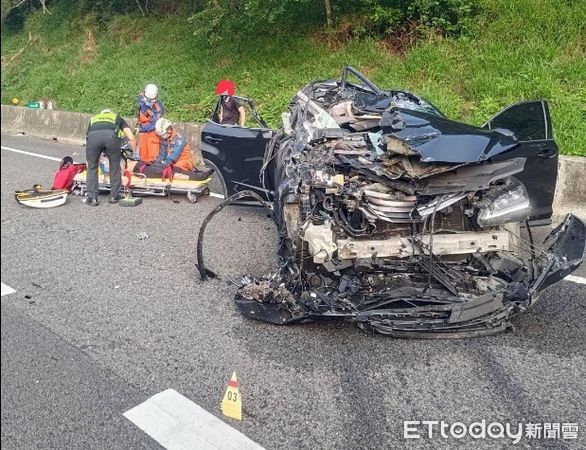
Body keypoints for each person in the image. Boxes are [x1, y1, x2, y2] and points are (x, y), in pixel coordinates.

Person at [85, 109, 137, 206]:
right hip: (111, 138)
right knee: (115, 165)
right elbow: (131, 137)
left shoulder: (93, 119)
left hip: (93, 139)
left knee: (92, 167)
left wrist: (90, 161)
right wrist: (133, 155)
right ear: (110, 113)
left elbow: (89, 137)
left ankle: (92, 198)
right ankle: (114, 196)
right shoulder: (116, 117)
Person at [137, 83, 164, 163]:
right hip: (142, 132)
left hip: (152, 132)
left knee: (152, 157)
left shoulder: (158, 108)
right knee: (143, 155)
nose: (149, 101)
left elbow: (154, 124)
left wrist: (141, 128)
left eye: (151, 100)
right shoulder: (141, 98)